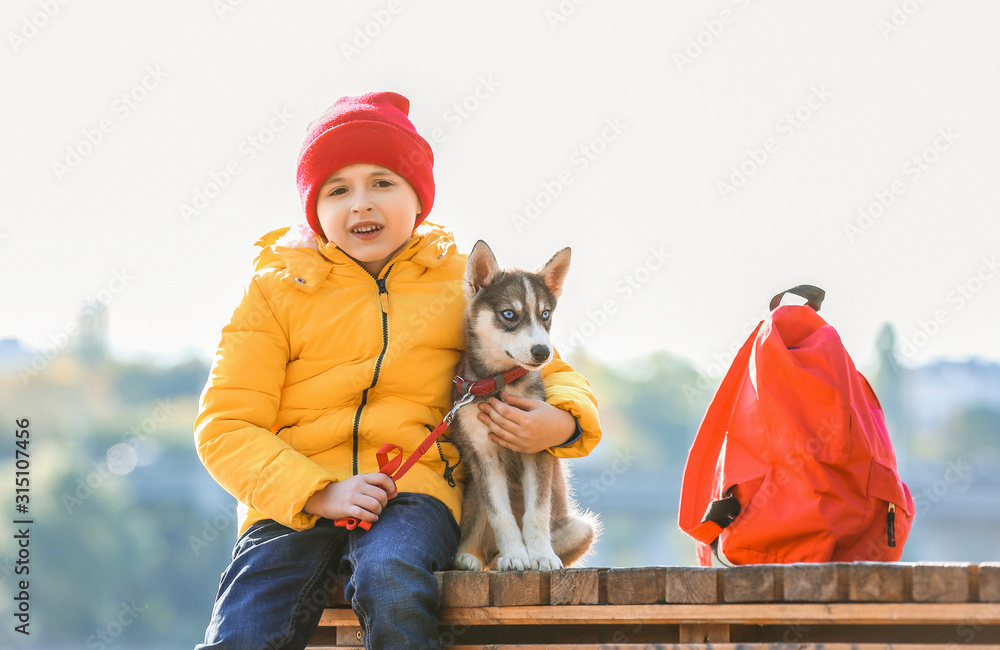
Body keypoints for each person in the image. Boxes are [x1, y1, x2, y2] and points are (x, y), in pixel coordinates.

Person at [193, 91, 601, 649]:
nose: (361, 204)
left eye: (383, 182)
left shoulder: (462, 282)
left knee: (393, 582)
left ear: (419, 198)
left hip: (413, 492)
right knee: (245, 625)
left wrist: (566, 422)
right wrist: (317, 491)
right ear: (314, 208)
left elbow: (546, 365)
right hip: (291, 501)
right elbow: (224, 426)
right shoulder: (274, 292)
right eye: (338, 189)